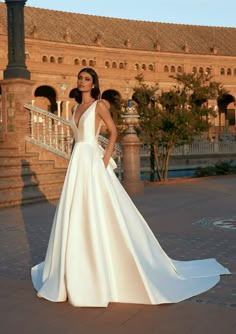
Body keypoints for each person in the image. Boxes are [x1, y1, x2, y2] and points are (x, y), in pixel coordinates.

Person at [31, 67, 230, 307]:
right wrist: (75, 159)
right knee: (74, 211)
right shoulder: (74, 108)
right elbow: (77, 139)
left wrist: (104, 160)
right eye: (80, 78)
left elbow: (113, 133)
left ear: (94, 84)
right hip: (78, 162)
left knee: (97, 209)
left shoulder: (100, 105)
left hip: (93, 162)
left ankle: (101, 267)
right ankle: (71, 268)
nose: (82, 82)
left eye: (87, 79)